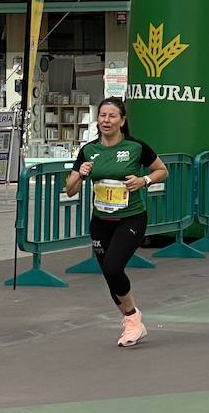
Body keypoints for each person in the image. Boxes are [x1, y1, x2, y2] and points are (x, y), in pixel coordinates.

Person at [64, 97, 168, 348]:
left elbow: (162, 170)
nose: (106, 121)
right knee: (110, 275)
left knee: (112, 267)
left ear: (122, 121)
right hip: (101, 221)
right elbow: (69, 190)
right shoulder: (88, 151)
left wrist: (144, 181)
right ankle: (132, 321)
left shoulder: (135, 147)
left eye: (112, 116)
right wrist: (81, 174)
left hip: (131, 217)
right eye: (102, 116)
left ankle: (132, 319)